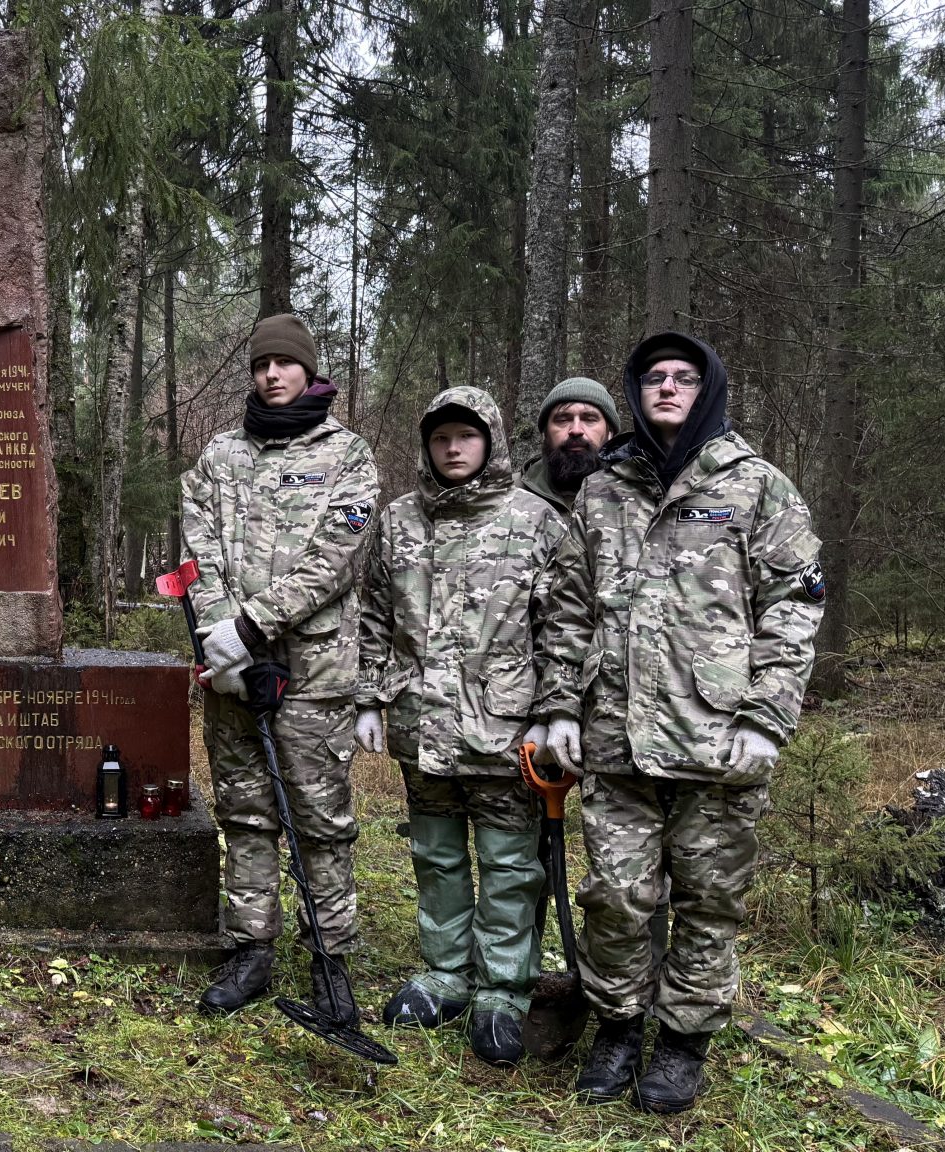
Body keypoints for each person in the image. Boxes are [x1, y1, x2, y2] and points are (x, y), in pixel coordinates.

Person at [539, 332, 825, 1113]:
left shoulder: (756, 487)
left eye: (684, 378)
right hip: (616, 737)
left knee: (707, 898)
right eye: (654, 378)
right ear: (635, 393)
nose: (668, 388)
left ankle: (683, 1041)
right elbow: (566, 610)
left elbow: (793, 611)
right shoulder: (602, 491)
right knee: (617, 895)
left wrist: (766, 717)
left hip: (717, 738)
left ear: (709, 390)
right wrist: (560, 706)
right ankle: (619, 1027)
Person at [353, 386, 569, 1066]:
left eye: (466, 436)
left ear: (491, 442)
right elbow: (374, 616)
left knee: (509, 865)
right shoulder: (397, 522)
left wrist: (555, 715)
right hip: (422, 726)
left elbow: (563, 629)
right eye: (442, 436)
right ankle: (445, 974)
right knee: (437, 856)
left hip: (506, 734)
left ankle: (503, 990)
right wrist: (367, 700)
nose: (453, 447)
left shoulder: (537, 521)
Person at [180, 313, 380, 1024]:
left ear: (308, 370)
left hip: (313, 671)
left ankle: (331, 958)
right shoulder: (220, 456)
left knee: (319, 819)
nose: (272, 375)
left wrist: (250, 624)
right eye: (262, 364)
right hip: (231, 669)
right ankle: (250, 950)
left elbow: (337, 557)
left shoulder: (347, 456)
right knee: (246, 811)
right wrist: (218, 633)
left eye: (285, 364)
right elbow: (195, 546)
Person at [520, 377, 619, 512]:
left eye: (589, 419)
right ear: (545, 433)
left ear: (610, 432)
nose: (576, 430)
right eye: (562, 420)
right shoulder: (508, 494)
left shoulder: (638, 494)